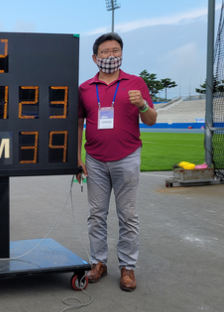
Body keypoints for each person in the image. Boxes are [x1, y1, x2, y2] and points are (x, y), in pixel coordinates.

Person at [76, 32, 157, 292]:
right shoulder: (85, 88)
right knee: (96, 215)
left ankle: (128, 267)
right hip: (95, 160)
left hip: (127, 157)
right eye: (105, 52)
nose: (110, 56)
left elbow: (151, 120)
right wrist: (77, 157)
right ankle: (98, 262)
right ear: (94, 57)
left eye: (115, 51)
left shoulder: (136, 83)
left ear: (121, 54)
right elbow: (78, 123)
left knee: (128, 216)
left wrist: (143, 105)